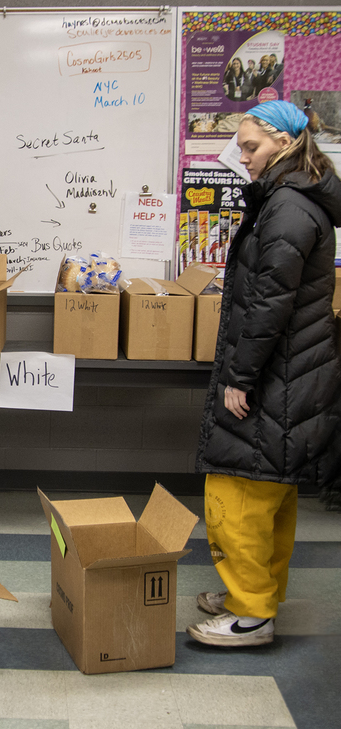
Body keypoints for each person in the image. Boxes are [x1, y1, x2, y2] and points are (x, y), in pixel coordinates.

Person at [189, 101, 341, 647]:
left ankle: (250, 613)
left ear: (283, 143)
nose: (242, 157)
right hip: (294, 372)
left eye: (250, 146)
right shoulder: (296, 199)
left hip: (274, 374)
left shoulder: (287, 209)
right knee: (271, 489)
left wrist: (240, 377)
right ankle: (257, 594)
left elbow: (268, 303)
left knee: (236, 493)